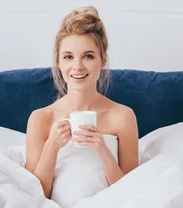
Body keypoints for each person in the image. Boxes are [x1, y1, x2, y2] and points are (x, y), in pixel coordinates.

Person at [25, 6, 140, 200]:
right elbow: (34, 195)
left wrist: (102, 150)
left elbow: (130, 192)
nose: (77, 67)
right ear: (59, 62)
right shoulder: (41, 118)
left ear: (102, 59)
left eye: (88, 56)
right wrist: (52, 146)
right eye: (68, 57)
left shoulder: (122, 116)